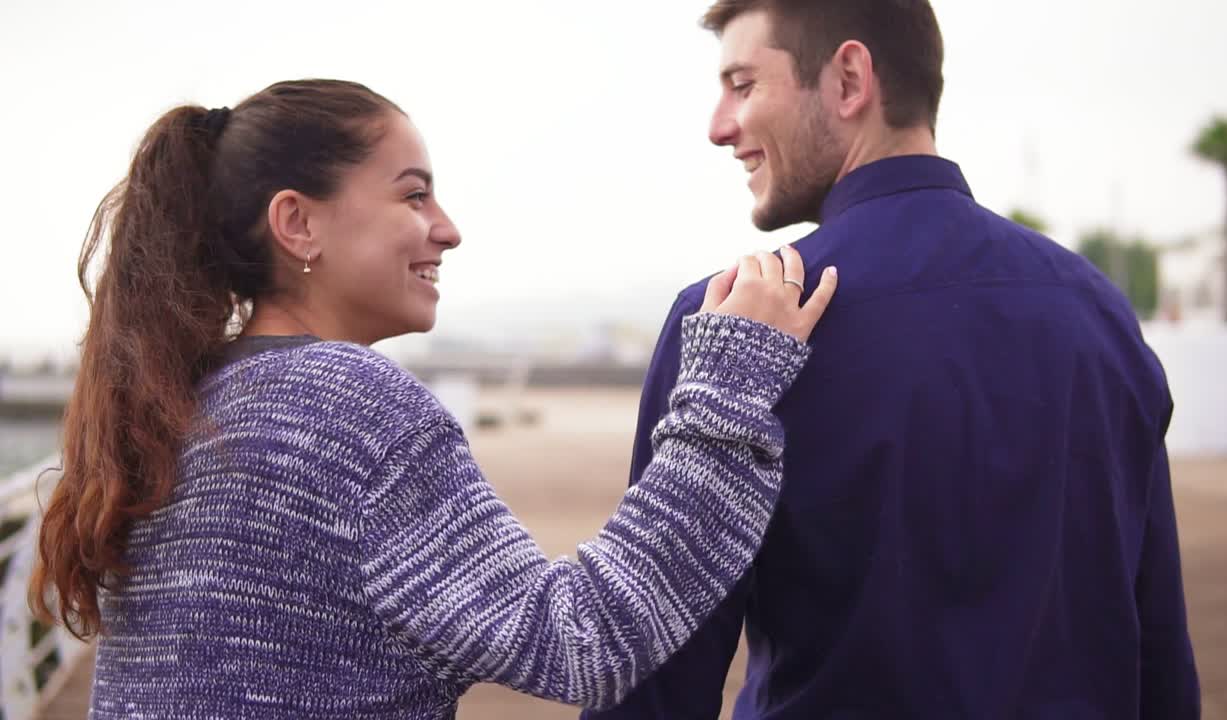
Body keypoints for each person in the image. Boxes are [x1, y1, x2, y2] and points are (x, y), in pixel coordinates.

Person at [28, 79, 839, 718]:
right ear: (297, 223)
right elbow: (579, 641)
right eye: (413, 195)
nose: (447, 228)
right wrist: (729, 386)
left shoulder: (189, 398)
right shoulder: (344, 403)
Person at [587, 2, 1200, 718]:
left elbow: (655, 683)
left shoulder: (730, 326)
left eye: (743, 84)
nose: (719, 125)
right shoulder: (1099, 313)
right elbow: (1158, 654)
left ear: (849, 80)